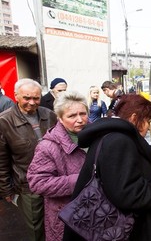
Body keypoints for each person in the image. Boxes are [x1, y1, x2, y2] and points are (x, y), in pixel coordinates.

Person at [63, 94, 151, 241]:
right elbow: (127, 194)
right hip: (126, 232)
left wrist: (150, 175)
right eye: (147, 120)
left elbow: (117, 178)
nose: (149, 126)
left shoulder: (110, 135)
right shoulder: (119, 141)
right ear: (133, 118)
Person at [26, 91, 89, 241]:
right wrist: (79, 180)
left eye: (83, 113)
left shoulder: (98, 136)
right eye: (72, 116)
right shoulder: (47, 147)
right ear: (60, 119)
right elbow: (37, 183)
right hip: (66, 217)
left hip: (96, 213)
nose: (80, 119)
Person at [0, 78, 57, 241]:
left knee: (56, 224)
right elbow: (2, 160)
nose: (32, 102)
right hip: (27, 185)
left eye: (36, 98)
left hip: (53, 181)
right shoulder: (4, 121)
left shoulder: (49, 115)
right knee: (35, 229)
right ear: (16, 96)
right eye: (27, 98)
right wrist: (6, 190)